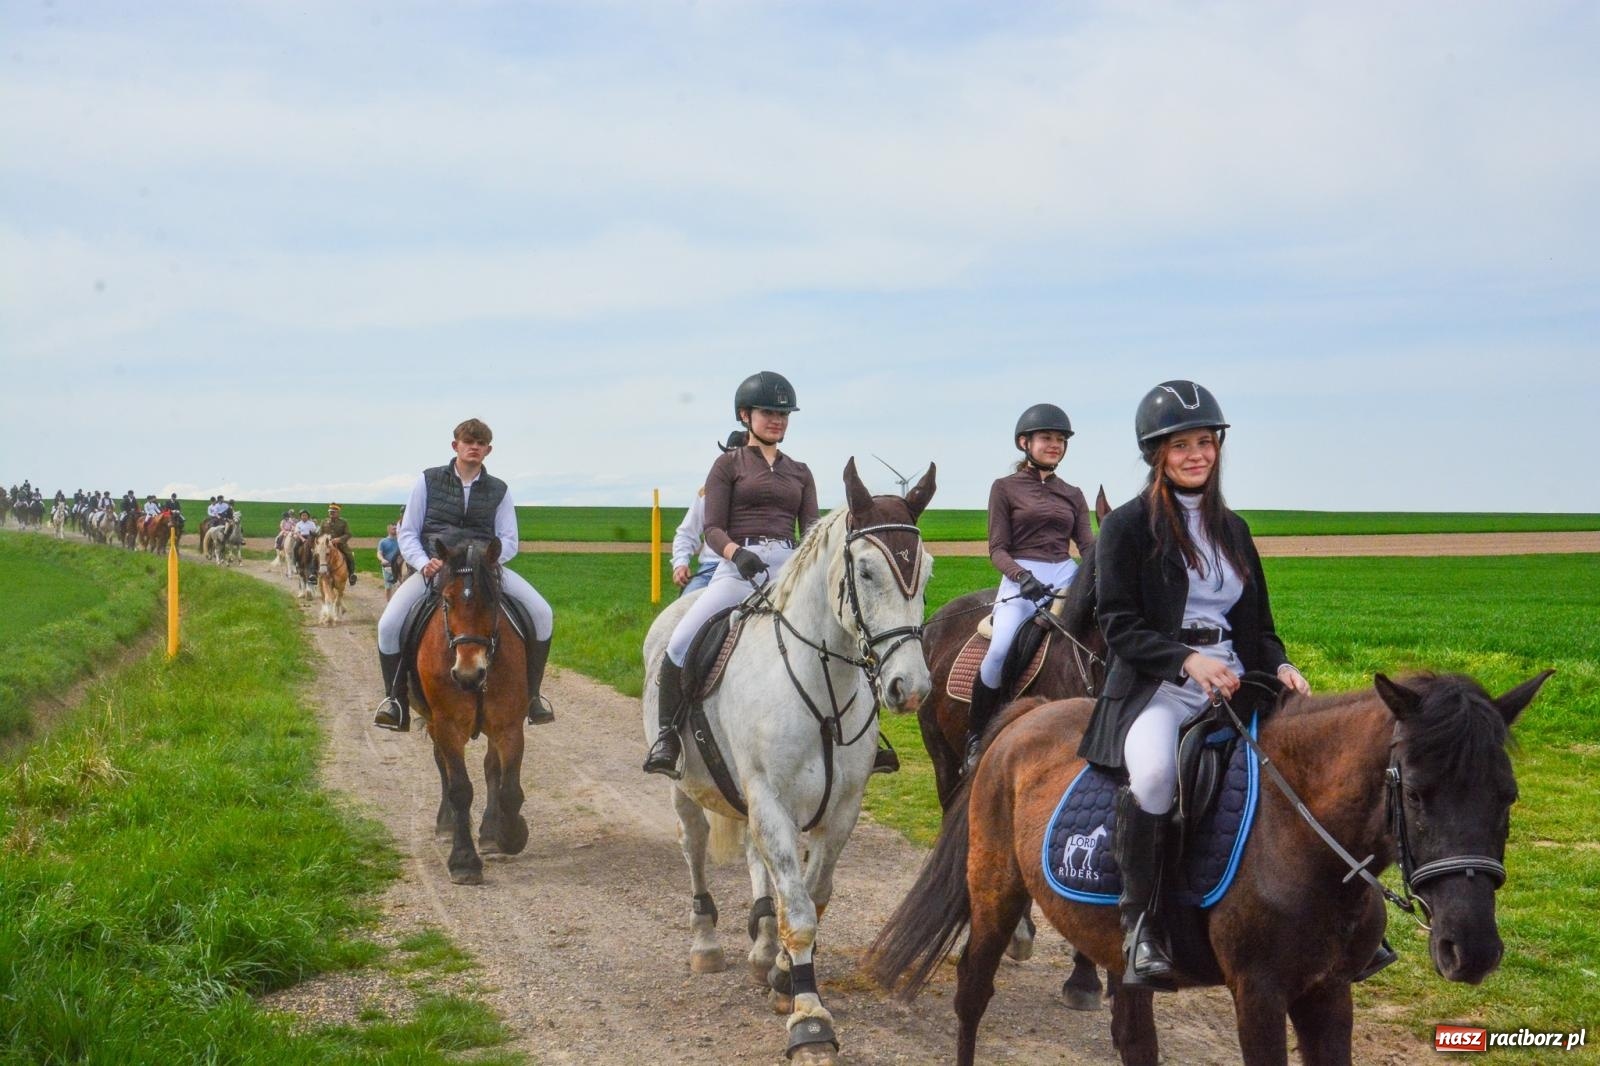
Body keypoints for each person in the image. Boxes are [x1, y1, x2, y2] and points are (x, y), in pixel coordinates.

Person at [1077, 380, 1344, 991]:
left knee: (1310, 763)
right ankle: (1140, 924)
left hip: (1234, 679)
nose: (1197, 454)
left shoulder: (1235, 528)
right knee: (1151, 777)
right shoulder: (1126, 527)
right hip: (1157, 687)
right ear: (1156, 455)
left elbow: (1259, 626)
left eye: (1206, 442)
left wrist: (1278, 666)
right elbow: (1117, 624)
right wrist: (1184, 660)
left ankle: (1340, 920)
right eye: (1181, 446)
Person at [644, 372, 817, 778]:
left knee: (835, 632)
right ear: (746, 415)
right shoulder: (726, 465)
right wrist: (735, 554)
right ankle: (668, 736)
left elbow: (810, 530)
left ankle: (861, 736)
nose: (777, 420)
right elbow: (712, 527)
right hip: (738, 567)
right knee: (681, 641)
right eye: (768, 412)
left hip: (789, 568)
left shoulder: (801, 471)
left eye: (784, 414)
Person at [373, 418, 555, 731]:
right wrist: (422, 561)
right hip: (439, 567)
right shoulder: (427, 481)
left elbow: (509, 539)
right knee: (389, 624)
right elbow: (409, 531)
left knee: (542, 612)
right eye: (468, 441)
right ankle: (396, 700)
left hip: (485, 569)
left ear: (488, 450)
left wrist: (488, 563)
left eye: (480, 443)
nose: (474, 447)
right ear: (455, 445)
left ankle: (533, 697)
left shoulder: (499, 489)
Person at [964, 403, 1096, 771]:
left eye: (1060, 440)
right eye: (1046, 438)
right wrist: (1022, 578)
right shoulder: (1004, 488)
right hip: (1022, 574)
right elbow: (997, 549)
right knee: (1001, 648)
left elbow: (1086, 545)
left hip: (1066, 574)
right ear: (1025, 442)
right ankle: (977, 736)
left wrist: (1100, 568)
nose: (1054, 445)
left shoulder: (1072, 492)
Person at [671, 431, 749, 596]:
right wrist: (680, 563)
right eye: (730, 456)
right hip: (711, 569)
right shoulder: (706, 493)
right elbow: (687, 533)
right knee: (685, 610)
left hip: (751, 569)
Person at [322, 503, 357, 586]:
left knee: (350, 556)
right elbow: (320, 533)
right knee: (316, 555)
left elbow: (348, 534)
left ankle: (351, 574)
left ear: (338, 513)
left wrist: (339, 539)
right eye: (330, 512)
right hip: (326, 546)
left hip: (340, 545)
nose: (331, 513)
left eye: (334, 512)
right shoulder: (324, 522)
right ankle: (313, 574)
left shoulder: (343, 522)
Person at [377, 523, 402, 598]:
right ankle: (389, 603)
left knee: (400, 585)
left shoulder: (400, 541)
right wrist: (382, 559)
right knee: (388, 587)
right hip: (388, 566)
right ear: (388, 530)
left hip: (399, 566)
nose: (395, 530)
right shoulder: (383, 541)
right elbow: (379, 553)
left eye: (396, 528)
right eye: (393, 529)